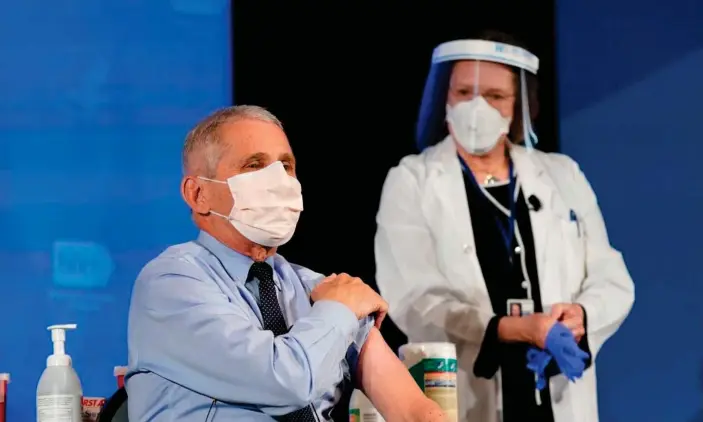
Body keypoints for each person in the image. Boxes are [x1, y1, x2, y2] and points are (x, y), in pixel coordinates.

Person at [374, 31, 635, 422]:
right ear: (445, 97)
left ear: (520, 106)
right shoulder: (412, 181)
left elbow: (611, 276)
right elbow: (412, 296)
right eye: (464, 92)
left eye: (494, 96)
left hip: (555, 390)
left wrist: (582, 315)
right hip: (466, 389)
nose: (477, 107)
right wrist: (510, 329)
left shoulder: (562, 175)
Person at [126, 105, 446, 422]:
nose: (279, 181)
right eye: (254, 165)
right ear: (198, 194)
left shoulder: (317, 288)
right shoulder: (171, 282)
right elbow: (285, 383)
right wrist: (340, 310)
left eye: (286, 165)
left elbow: (414, 410)